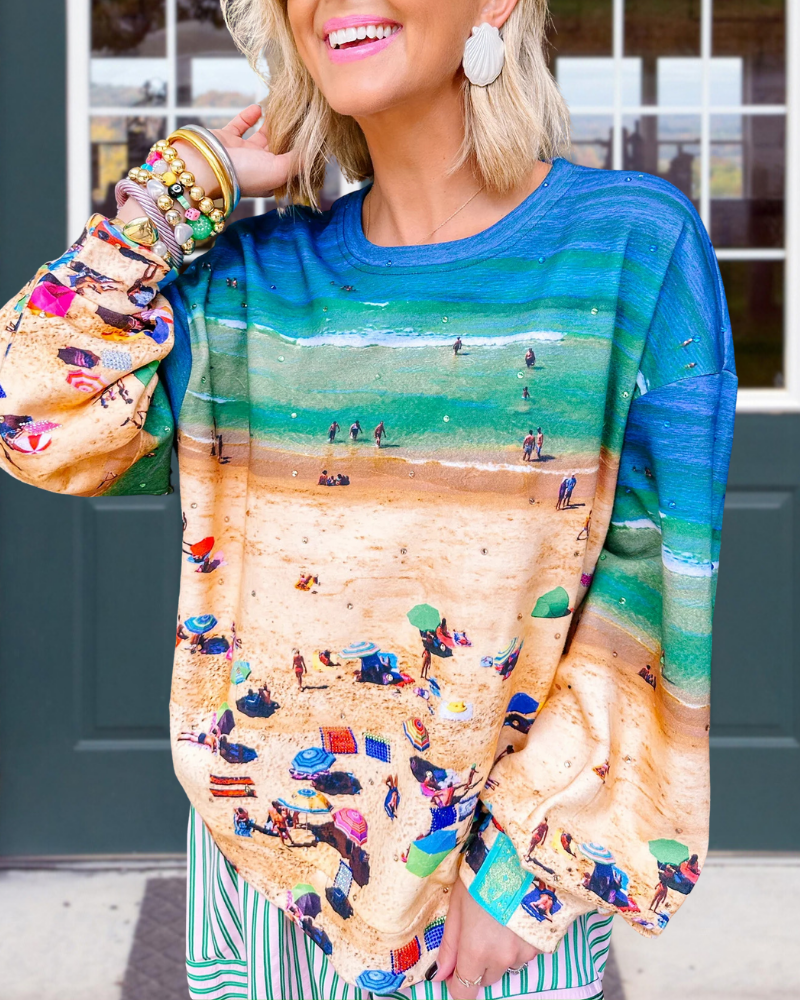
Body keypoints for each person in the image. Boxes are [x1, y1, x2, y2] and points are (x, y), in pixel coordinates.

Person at [0, 1, 737, 997]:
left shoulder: (626, 250)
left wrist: (519, 880)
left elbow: (647, 597)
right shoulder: (251, 287)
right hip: (255, 880)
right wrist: (179, 191)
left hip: (484, 894)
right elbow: (32, 407)